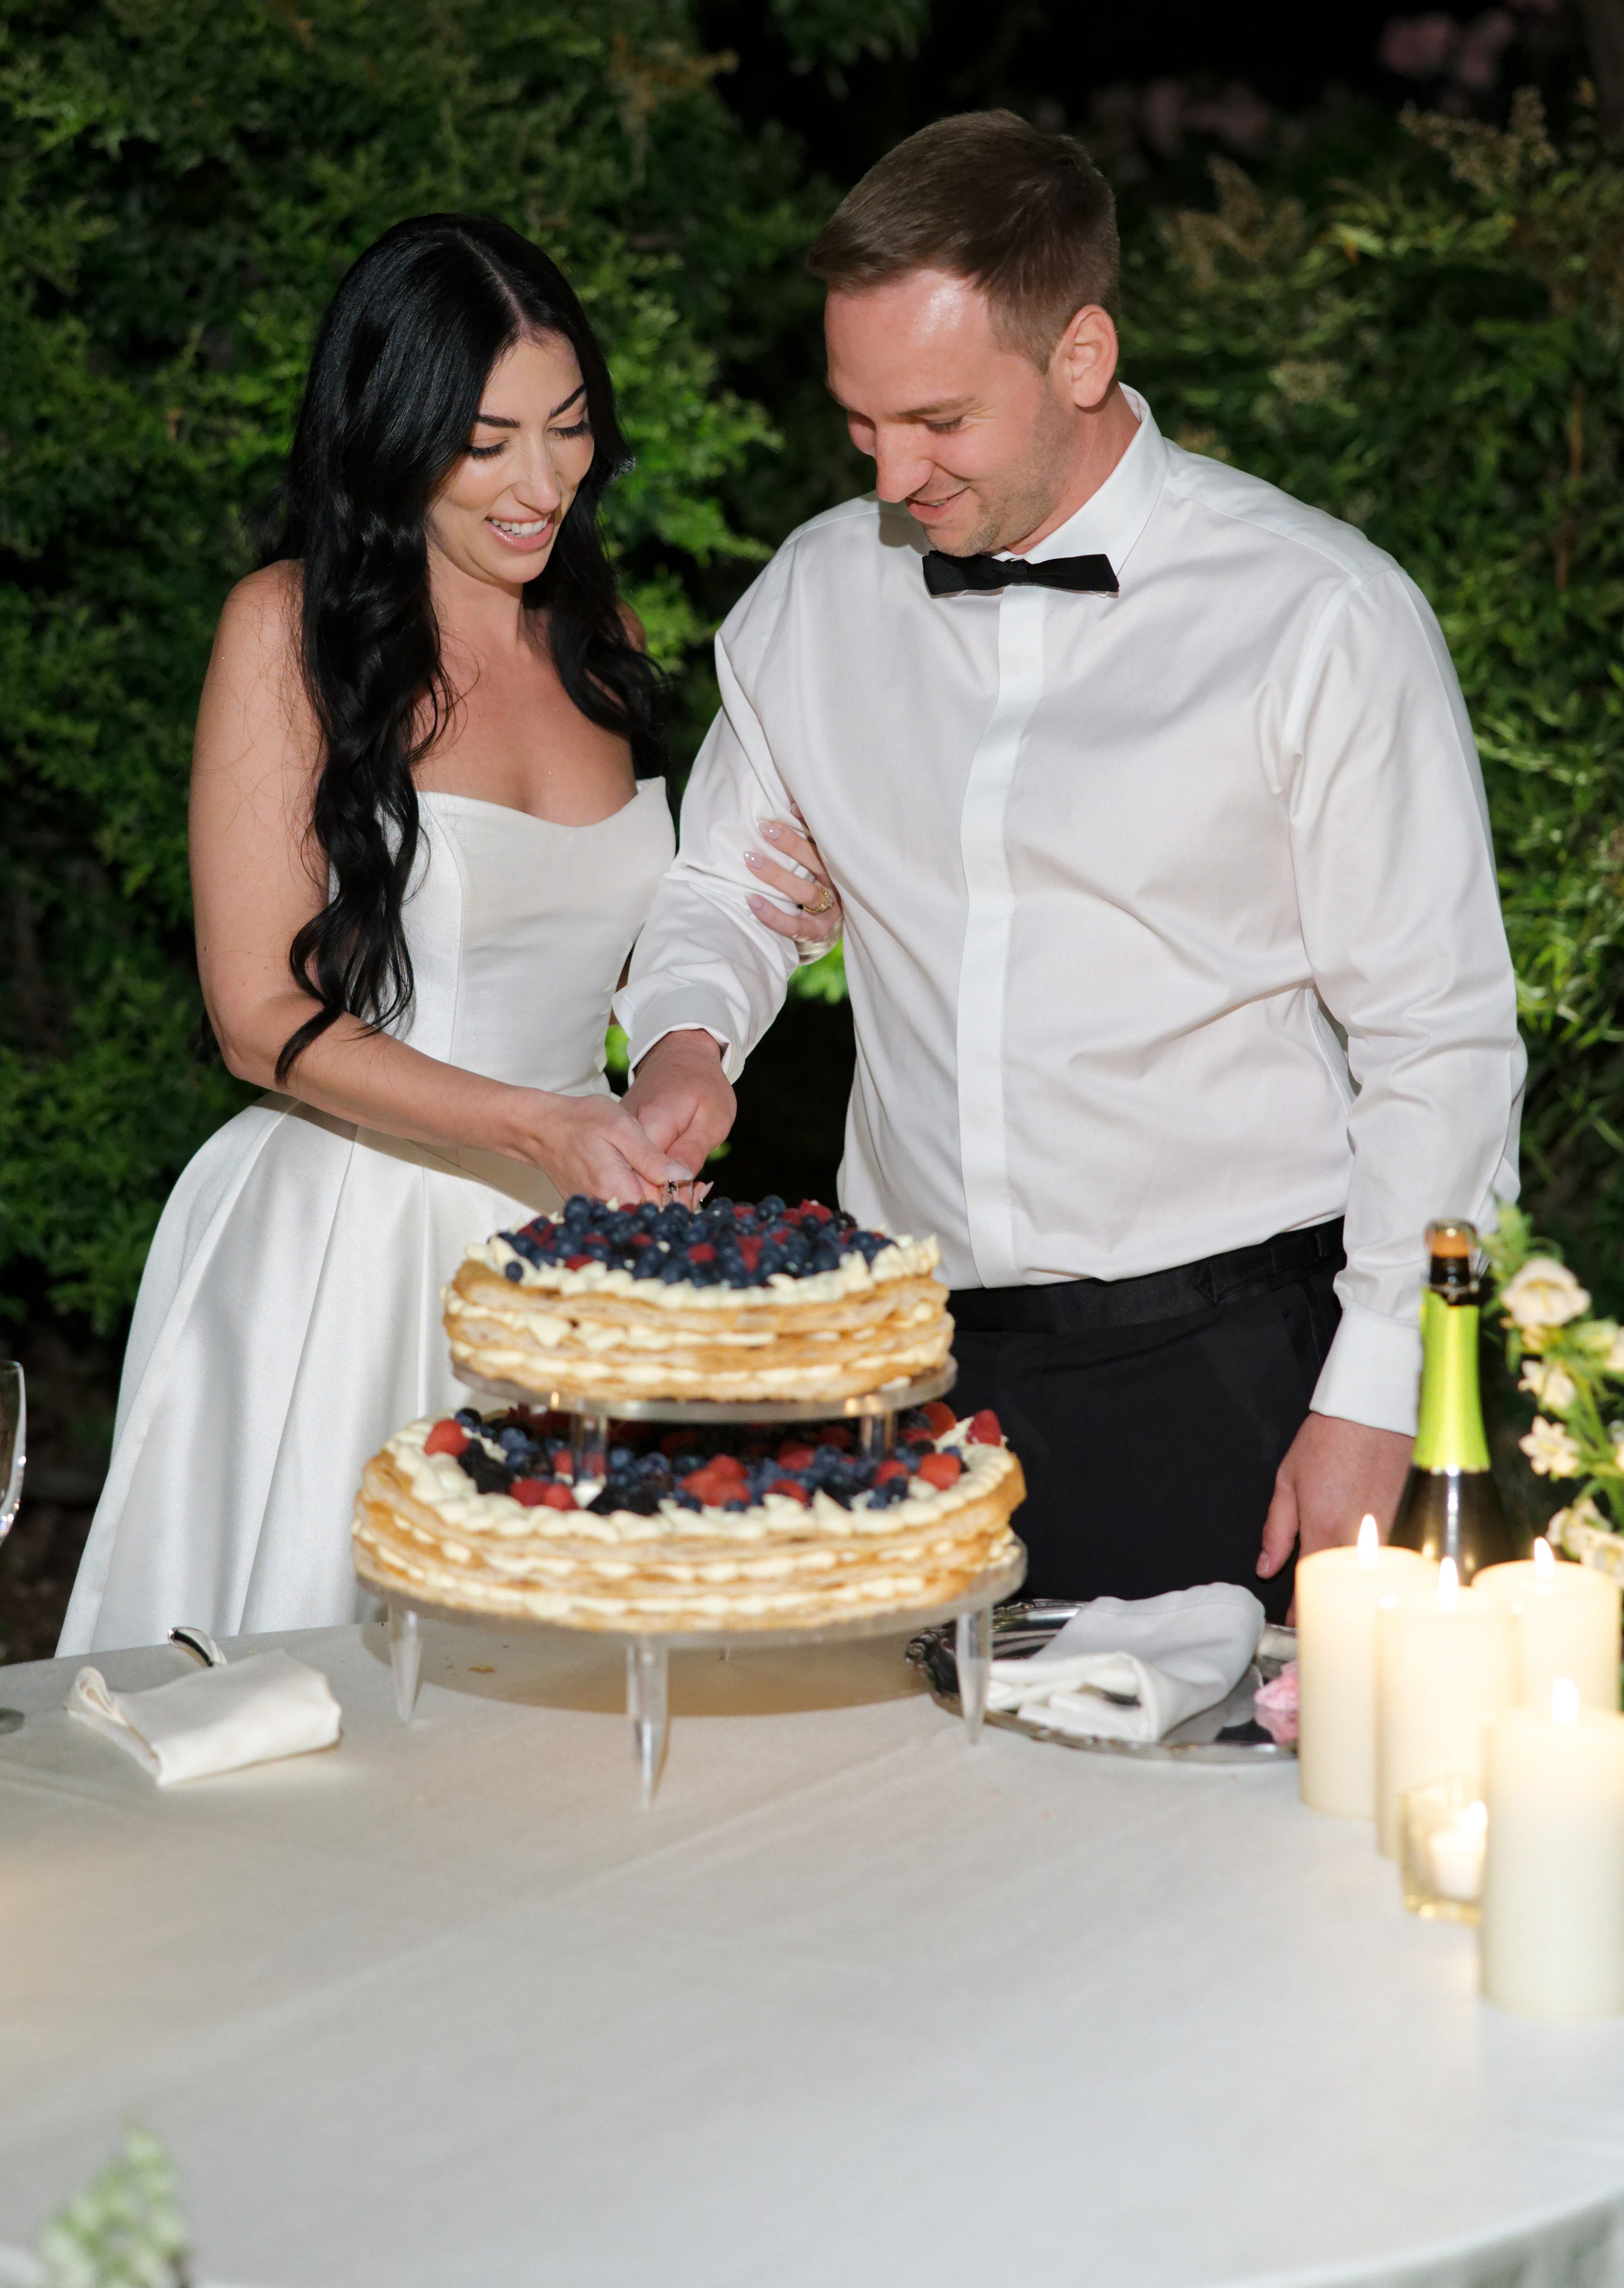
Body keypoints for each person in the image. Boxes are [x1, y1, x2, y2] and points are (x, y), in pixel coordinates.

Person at [616, 113, 1525, 1617]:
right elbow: (725, 887)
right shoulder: (813, 599)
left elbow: (1434, 1040)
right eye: (858, 427)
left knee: (1226, 1840)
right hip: (911, 1373)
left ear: (1081, 357)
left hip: (1232, 1358)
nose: (892, 473)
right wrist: (685, 1040)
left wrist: (1373, 1391)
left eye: (938, 422)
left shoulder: (1318, 616)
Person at [61, 215, 839, 1652]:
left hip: (573, 1239)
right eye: (487, 442)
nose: (542, 482)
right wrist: (530, 1128)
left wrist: (782, 924)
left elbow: (636, 939)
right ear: (394, 432)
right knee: (306, 1699)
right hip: (346, 1238)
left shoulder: (591, 629)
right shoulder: (287, 630)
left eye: (569, 428)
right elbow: (253, 1017)